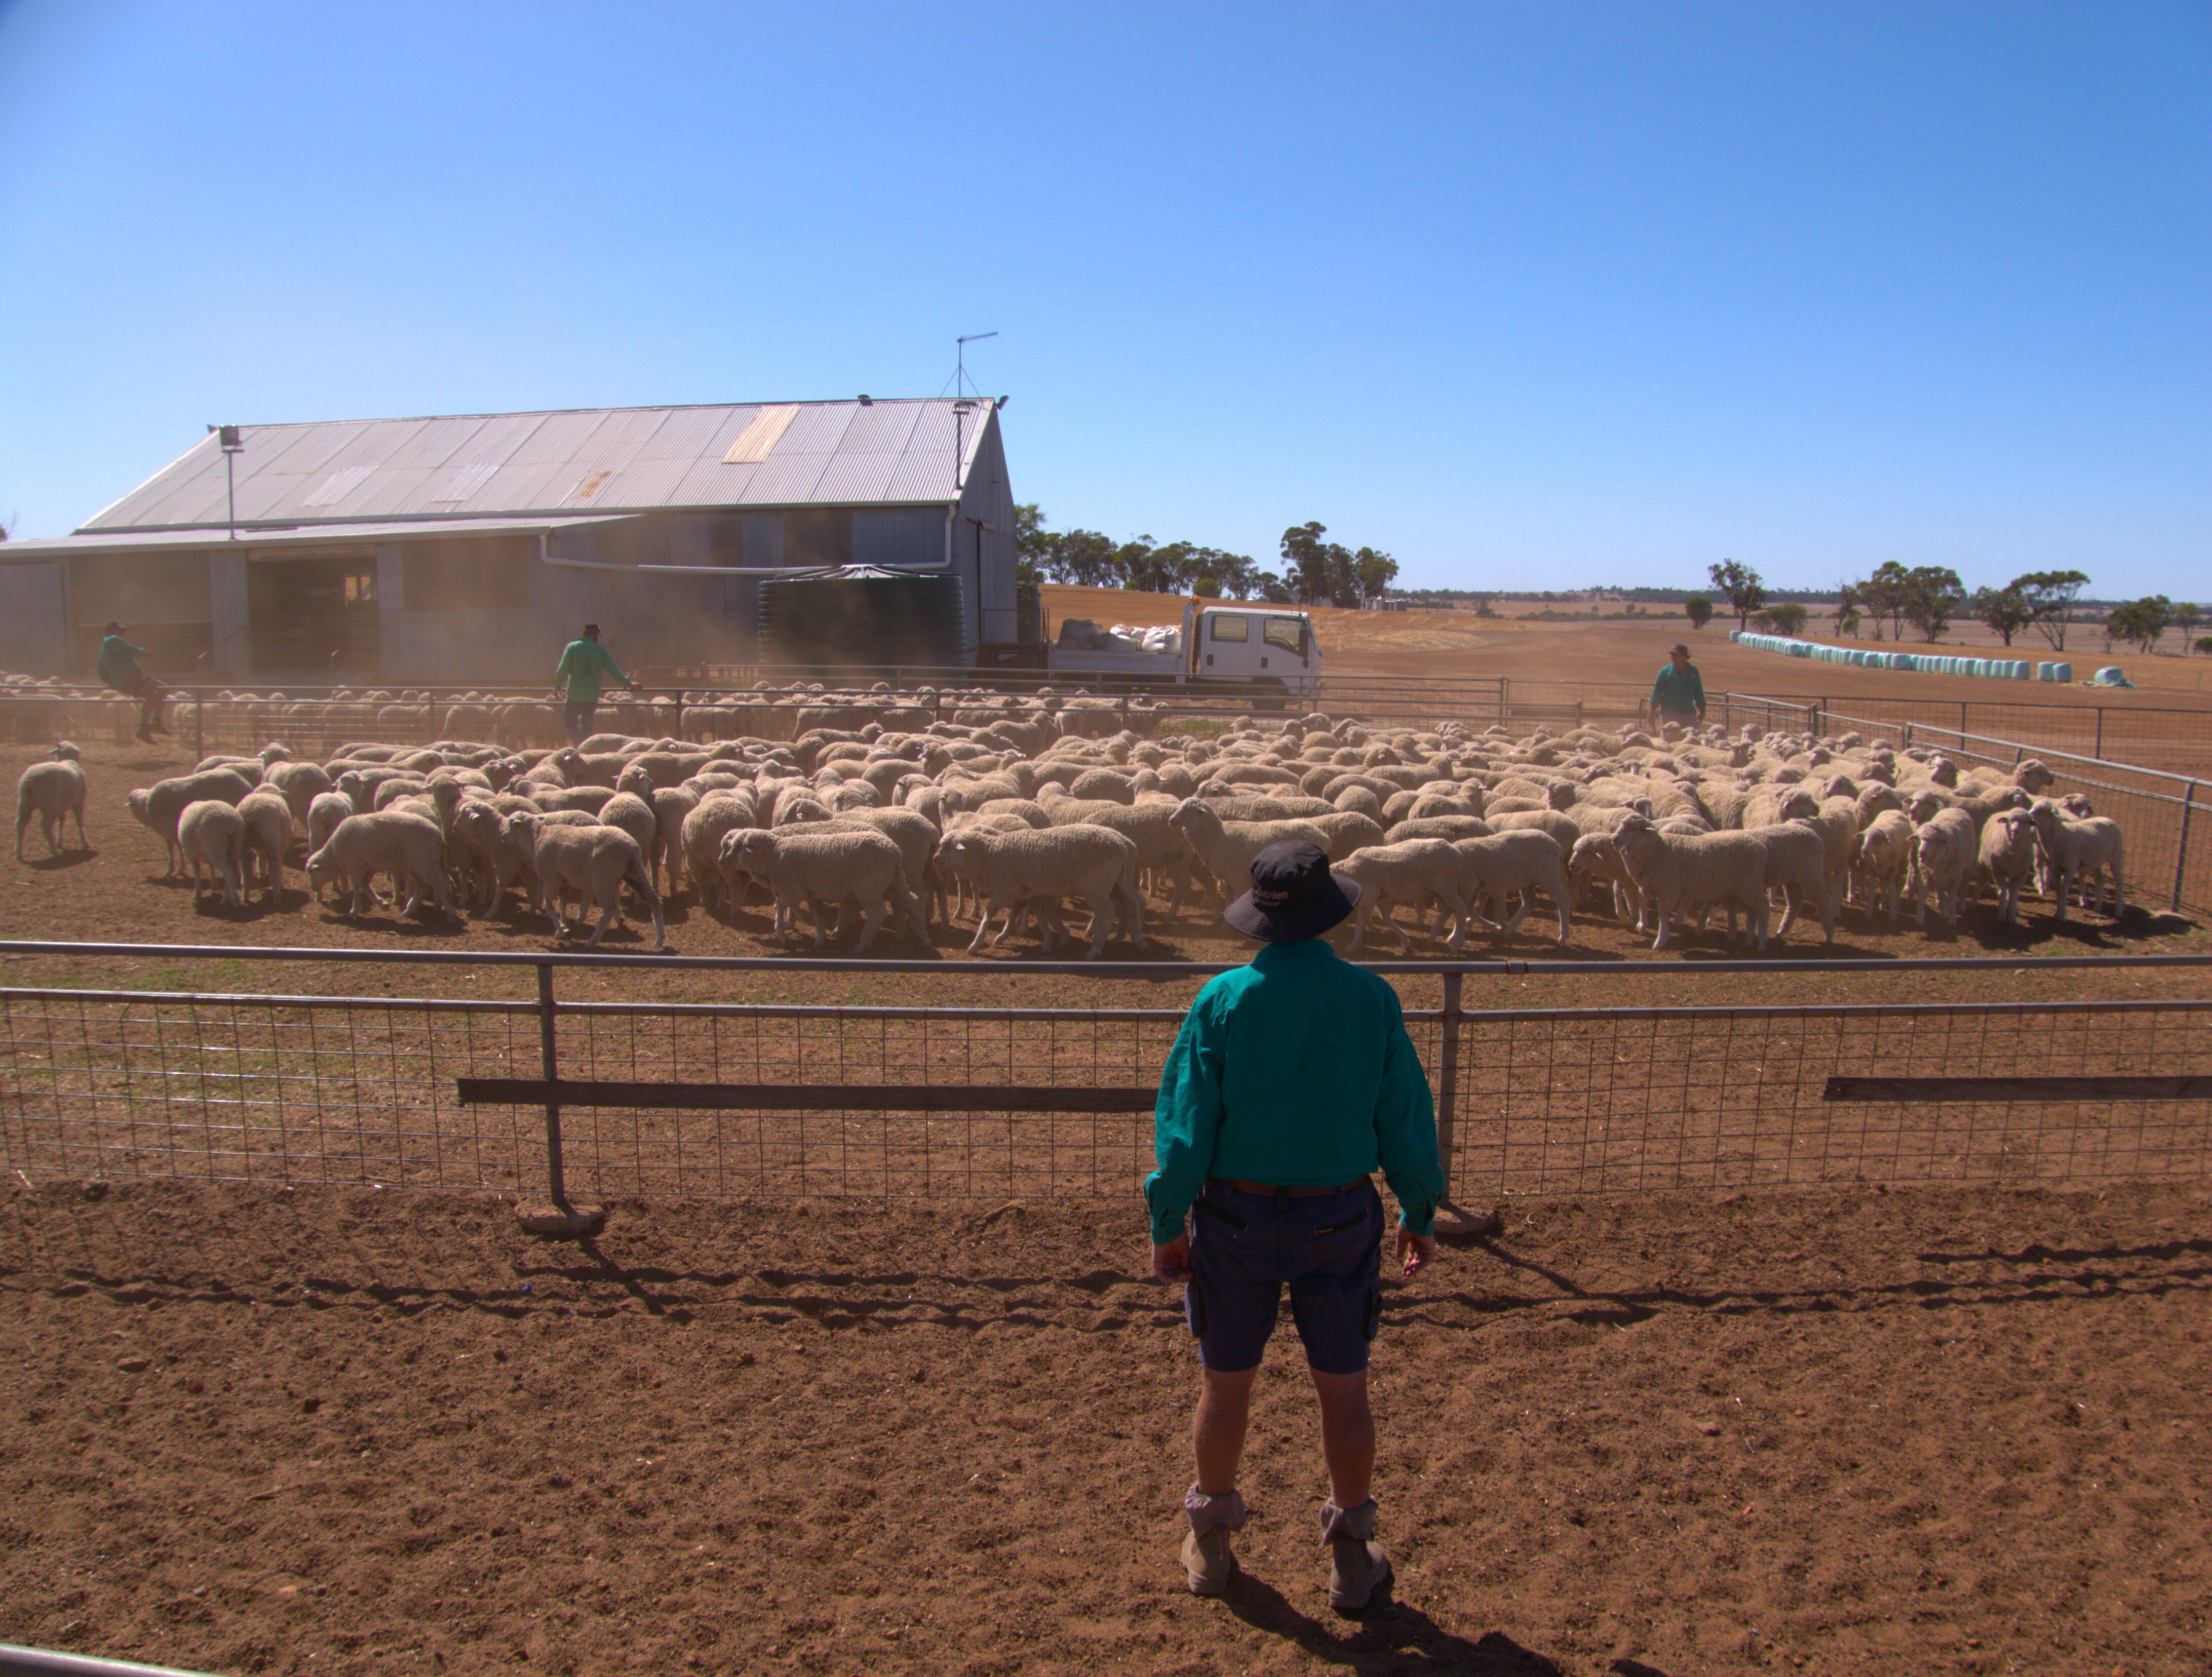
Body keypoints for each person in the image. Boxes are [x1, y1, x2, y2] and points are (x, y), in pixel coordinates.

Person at [1146, 840, 1444, 1611]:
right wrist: (1417, 1207)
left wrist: (1167, 1217)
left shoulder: (1223, 999)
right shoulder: (1371, 997)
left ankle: (1210, 1541)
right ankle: (1350, 1551)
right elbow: (1404, 1113)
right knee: (1343, 1389)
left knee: (1225, 1382)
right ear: (1328, 916)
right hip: (1336, 1214)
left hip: (1235, 1214)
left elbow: (1187, 1122)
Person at [552, 622, 635, 746]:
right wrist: (628, 683)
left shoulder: (572, 647)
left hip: (575, 695)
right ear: (595, 634)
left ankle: (579, 744)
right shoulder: (600, 650)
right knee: (587, 726)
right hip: (591, 696)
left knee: (569, 722)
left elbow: (563, 668)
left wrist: (558, 684)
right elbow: (613, 669)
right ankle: (588, 748)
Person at [96, 621, 168, 744]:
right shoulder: (113, 640)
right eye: (121, 631)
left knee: (163, 688)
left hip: (134, 677)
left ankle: (156, 721)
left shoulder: (109, 645)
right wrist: (144, 652)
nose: (123, 634)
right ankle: (143, 728)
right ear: (113, 630)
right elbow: (131, 650)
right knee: (151, 696)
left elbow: (102, 668)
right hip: (128, 679)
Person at [1644, 641, 1706, 731]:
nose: (1673, 657)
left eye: (1676, 655)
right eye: (1672, 655)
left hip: (1689, 714)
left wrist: (1702, 710)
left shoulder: (1693, 672)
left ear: (1684, 657)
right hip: (1670, 715)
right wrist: (1651, 712)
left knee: (1693, 740)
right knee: (1671, 742)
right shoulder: (1666, 672)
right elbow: (1657, 693)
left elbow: (1699, 692)